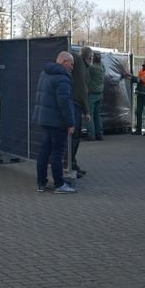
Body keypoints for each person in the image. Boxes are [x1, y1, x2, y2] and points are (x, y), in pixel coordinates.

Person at [32, 51, 77, 194]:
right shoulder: (62, 78)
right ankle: (59, 184)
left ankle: (41, 183)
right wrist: (71, 123)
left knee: (44, 152)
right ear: (64, 62)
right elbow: (65, 103)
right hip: (57, 122)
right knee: (57, 153)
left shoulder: (44, 73)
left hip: (44, 119)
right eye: (71, 63)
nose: (72, 67)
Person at [70, 47, 92, 176]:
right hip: (74, 105)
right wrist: (56, 39)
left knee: (76, 137)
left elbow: (84, 91)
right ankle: (70, 164)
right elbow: (66, 51)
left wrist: (86, 110)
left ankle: (72, 163)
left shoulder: (85, 67)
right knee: (73, 137)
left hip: (79, 105)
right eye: (90, 57)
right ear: (86, 56)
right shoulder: (78, 61)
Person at [124, 54, 145, 135]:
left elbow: (141, 80)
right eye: (144, 59)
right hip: (140, 93)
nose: (144, 61)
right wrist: (129, 77)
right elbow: (137, 80)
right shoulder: (142, 70)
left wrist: (130, 75)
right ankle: (138, 129)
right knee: (138, 111)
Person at [87, 52, 106, 141]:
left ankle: (91, 135)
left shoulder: (92, 68)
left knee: (89, 114)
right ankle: (99, 134)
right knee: (97, 115)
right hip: (99, 94)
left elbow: (85, 66)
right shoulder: (102, 67)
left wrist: (88, 59)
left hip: (92, 94)